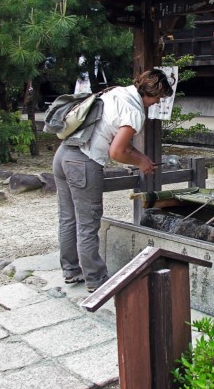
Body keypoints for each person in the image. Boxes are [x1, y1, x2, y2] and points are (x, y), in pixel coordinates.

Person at [53, 69, 174, 293]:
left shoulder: (117, 92)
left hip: (62, 155)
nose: (157, 102)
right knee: (88, 222)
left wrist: (142, 159)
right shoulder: (135, 111)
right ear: (155, 92)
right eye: (159, 97)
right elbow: (117, 151)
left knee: (68, 217)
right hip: (84, 161)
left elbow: (121, 142)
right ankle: (96, 279)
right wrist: (140, 163)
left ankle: (71, 270)